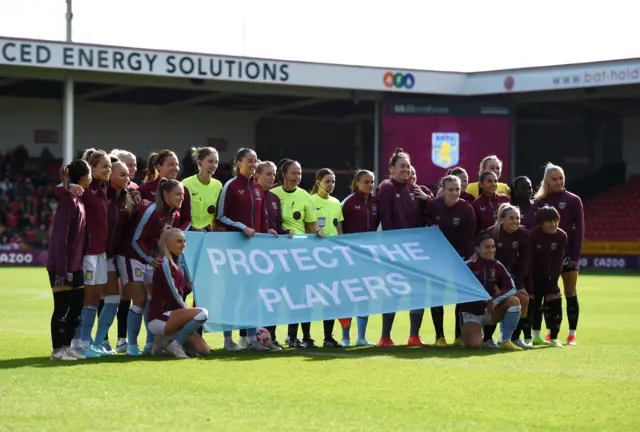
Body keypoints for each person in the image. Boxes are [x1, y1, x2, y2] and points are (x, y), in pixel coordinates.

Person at [217, 148, 276, 352]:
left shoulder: (258, 189)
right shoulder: (231, 186)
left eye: (255, 161)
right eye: (249, 161)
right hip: (233, 251)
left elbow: (262, 220)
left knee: (251, 295)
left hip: (253, 252)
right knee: (232, 295)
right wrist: (243, 228)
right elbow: (221, 216)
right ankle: (227, 340)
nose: (252, 164)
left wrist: (268, 231)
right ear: (238, 163)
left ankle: (251, 340)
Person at [118, 179, 184, 355]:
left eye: (183, 195)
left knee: (151, 300)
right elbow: (135, 239)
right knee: (139, 301)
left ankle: (149, 345)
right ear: (165, 194)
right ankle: (131, 345)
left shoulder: (175, 215)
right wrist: (148, 259)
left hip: (151, 259)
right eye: (178, 194)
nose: (181, 198)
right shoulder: (152, 211)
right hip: (132, 256)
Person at [271, 158, 324, 348]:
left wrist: (318, 232)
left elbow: (311, 223)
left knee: (299, 296)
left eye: (300, 173)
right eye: (293, 173)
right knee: (274, 295)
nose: (297, 177)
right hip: (276, 254)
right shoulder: (272, 193)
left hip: (299, 254)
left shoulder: (305, 196)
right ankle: (270, 335)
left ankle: (295, 336)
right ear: (284, 174)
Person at [375, 148, 426, 347]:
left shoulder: (414, 189)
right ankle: (385, 337)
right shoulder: (386, 187)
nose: (406, 169)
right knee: (393, 292)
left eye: (408, 166)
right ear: (392, 168)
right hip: (395, 250)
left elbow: (423, 217)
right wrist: (392, 247)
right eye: (402, 166)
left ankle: (414, 336)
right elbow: (386, 219)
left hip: (414, 250)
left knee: (418, 292)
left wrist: (426, 199)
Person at [68, 149, 112, 358]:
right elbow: (60, 188)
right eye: (104, 166)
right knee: (86, 297)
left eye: (109, 166)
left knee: (95, 297)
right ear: (92, 168)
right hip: (88, 252)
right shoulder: (83, 190)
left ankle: (87, 342)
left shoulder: (103, 189)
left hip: (101, 252)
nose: (108, 170)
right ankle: (77, 342)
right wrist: (68, 186)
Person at [533, 163, 583, 346]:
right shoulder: (538, 201)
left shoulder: (573, 200)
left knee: (570, 292)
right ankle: (550, 333)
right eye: (554, 178)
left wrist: (575, 256)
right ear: (546, 180)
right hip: (547, 257)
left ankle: (572, 334)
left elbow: (579, 231)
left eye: (561, 177)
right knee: (548, 293)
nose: (559, 181)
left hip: (568, 255)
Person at [425, 175, 476, 347]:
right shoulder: (432, 206)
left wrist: (466, 259)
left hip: (458, 259)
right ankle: (440, 337)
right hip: (437, 259)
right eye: (451, 189)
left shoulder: (466, 208)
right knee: (437, 296)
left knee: (460, 298)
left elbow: (470, 238)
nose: (455, 193)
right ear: (442, 190)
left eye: (457, 189)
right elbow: (424, 227)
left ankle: (458, 336)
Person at [48, 160, 91, 361]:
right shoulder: (68, 201)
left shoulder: (78, 199)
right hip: (61, 267)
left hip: (76, 266)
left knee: (76, 307)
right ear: (84, 177)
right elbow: (60, 237)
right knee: (62, 308)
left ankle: (66, 345)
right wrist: (62, 269)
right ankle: (58, 350)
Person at [148, 228, 211, 358]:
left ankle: (165, 342)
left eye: (184, 241)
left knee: (204, 351)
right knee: (202, 313)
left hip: (174, 318)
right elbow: (174, 292)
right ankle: (174, 345)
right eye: (178, 241)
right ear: (167, 244)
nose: (183, 244)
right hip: (160, 317)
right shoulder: (164, 262)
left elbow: (183, 289)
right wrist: (186, 311)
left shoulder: (179, 261)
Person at [94, 160, 135, 354]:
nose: (127, 178)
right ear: (111, 175)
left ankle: (101, 340)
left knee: (112, 299)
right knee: (89, 300)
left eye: (128, 175)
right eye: (123, 175)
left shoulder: (127, 199)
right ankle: (80, 342)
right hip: (93, 255)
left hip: (111, 257)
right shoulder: (101, 194)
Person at [254, 160, 293, 351]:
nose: (271, 178)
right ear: (257, 175)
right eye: (267, 174)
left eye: (273, 174)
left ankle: (271, 336)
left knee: (273, 297)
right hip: (253, 256)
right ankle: (248, 338)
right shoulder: (252, 195)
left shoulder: (274, 199)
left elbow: (276, 227)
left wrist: (286, 232)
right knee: (253, 296)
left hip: (272, 257)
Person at [460, 233, 523, 351]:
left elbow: (511, 288)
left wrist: (494, 301)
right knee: (474, 345)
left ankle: (506, 340)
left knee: (514, 301)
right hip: (471, 312)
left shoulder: (498, 265)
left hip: (491, 310)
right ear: (478, 249)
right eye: (487, 247)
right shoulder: (468, 266)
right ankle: (476, 333)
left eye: (493, 247)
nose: (491, 250)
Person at [482, 204, 531, 349]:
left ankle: (512, 338)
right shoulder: (491, 233)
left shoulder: (523, 234)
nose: (515, 221)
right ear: (501, 219)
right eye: (511, 218)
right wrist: (493, 285)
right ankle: (488, 338)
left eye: (517, 218)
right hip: (491, 277)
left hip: (510, 276)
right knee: (496, 301)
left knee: (523, 298)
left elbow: (524, 262)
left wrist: (521, 286)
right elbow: (485, 261)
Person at [339, 169, 378, 347]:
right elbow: (339, 227)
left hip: (368, 258)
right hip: (349, 257)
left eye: (372, 182)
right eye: (366, 182)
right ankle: (345, 337)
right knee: (348, 296)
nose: (370, 185)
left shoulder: (376, 202)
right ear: (357, 183)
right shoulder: (347, 203)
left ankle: (361, 337)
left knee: (365, 296)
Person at [310, 168, 345, 348]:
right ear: (318, 182)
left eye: (333, 182)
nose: (330, 185)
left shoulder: (336, 203)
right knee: (307, 295)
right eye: (327, 181)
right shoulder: (310, 201)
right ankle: (303, 336)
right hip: (313, 255)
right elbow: (308, 226)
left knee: (330, 297)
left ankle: (328, 337)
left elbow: (338, 228)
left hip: (331, 257)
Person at [528, 205, 567, 348]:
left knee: (555, 303)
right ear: (540, 223)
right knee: (535, 305)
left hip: (551, 277)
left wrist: (553, 282)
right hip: (534, 276)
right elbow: (529, 261)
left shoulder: (561, 236)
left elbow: (558, 261)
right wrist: (530, 282)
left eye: (556, 220)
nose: (554, 224)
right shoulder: (531, 235)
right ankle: (535, 336)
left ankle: (554, 338)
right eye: (549, 221)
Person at [139, 150, 192, 231]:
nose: (176, 168)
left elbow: (187, 219)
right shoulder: (145, 189)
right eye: (171, 164)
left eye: (177, 164)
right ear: (159, 166)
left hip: (173, 240)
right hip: (151, 241)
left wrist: (177, 233)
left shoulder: (184, 190)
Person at [181, 147, 222, 232]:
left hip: (209, 235)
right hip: (189, 233)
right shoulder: (186, 183)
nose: (214, 165)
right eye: (210, 162)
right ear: (199, 163)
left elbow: (218, 213)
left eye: (216, 162)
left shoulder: (218, 185)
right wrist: (192, 228)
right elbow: (180, 212)